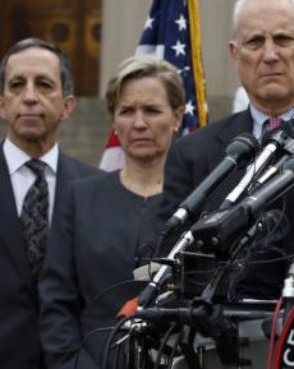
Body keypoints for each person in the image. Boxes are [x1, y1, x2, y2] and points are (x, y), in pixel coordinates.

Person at [38, 55, 184, 369]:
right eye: (127, 111)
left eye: (152, 110)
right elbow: (56, 301)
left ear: (177, 117)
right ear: (113, 120)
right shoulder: (79, 197)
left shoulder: (198, 203)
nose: (139, 123)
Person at [159, 0, 294, 228]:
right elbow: (168, 253)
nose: (270, 55)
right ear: (234, 54)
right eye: (255, 42)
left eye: (283, 39)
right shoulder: (192, 155)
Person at [0, 38, 99, 369]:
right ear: (1, 104)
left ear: (67, 105)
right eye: (17, 85)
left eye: (44, 84)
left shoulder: (94, 188)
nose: (29, 96)